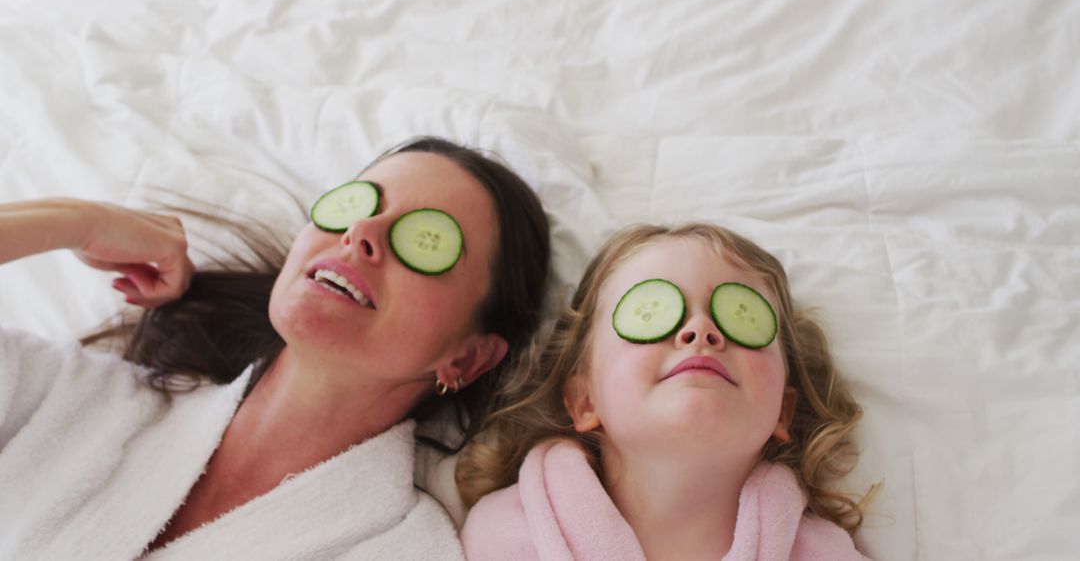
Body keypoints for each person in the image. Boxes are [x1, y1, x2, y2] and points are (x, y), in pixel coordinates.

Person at [0, 136, 551, 559]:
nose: (361, 231)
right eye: (359, 204)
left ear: (467, 358)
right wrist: (77, 221)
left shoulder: (401, 549)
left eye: (426, 240)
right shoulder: (73, 399)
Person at [458, 223, 873, 560]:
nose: (700, 329)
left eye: (741, 317)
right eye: (650, 313)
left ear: (782, 410)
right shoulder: (502, 535)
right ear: (584, 400)